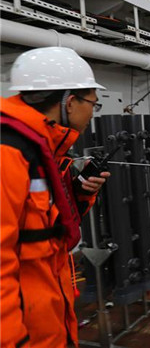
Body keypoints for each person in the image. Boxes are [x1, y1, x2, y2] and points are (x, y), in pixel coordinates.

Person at [1, 47, 110, 348]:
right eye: (93, 103)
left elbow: (44, 228)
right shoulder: (9, 152)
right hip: (24, 330)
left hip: (47, 317)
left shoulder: (44, 151)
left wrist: (79, 193)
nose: (93, 112)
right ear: (70, 102)